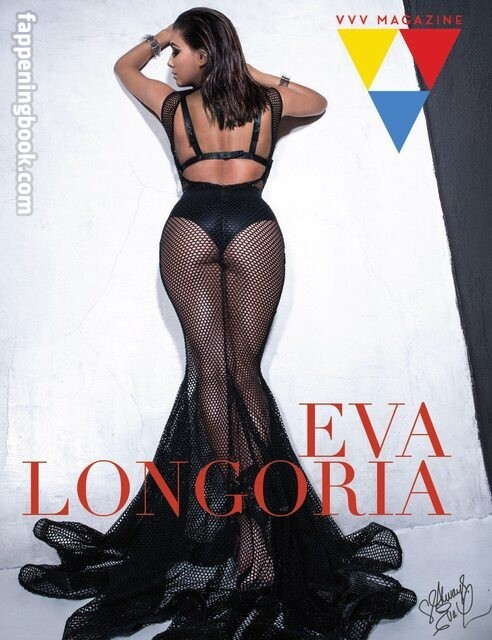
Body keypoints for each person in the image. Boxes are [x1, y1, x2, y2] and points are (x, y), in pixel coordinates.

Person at [18, 7, 417, 639]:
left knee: (212, 376)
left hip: (190, 226)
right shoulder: (266, 105)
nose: (169, 61)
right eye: (168, 50)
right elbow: (314, 102)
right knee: (242, 377)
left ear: (205, 51)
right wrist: (241, 68)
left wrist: (170, 43)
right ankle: (257, 536)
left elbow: (125, 67)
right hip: (253, 227)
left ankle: (236, 527)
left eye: (178, 50)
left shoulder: (174, 107)